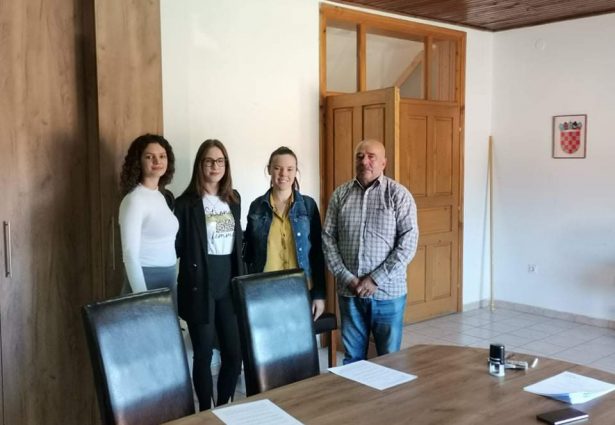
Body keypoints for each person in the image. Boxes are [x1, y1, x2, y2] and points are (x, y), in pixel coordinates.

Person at [322, 139, 418, 364]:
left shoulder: (398, 195)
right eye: (360, 156)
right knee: (352, 360)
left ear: (384, 163)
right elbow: (328, 239)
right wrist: (348, 278)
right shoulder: (340, 195)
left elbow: (408, 243)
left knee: (389, 360)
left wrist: (375, 279)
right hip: (350, 293)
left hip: (388, 294)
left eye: (371, 156)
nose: (364, 161)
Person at [174, 139, 244, 411]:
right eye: (209, 161)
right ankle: (205, 411)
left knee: (234, 353)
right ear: (199, 165)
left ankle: (224, 406)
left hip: (229, 282)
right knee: (202, 354)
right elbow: (177, 247)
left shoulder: (233, 199)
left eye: (220, 161)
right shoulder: (185, 204)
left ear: (226, 165)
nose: (215, 166)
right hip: (199, 284)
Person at [244, 146, 326, 319]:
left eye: (290, 169)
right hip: (265, 290)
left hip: (301, 289)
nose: (283, 174)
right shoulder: (256, 207)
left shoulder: (308, 206)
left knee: (300, 336)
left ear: (296, 172)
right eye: (277, 168)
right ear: (269, 170)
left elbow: (317, 254)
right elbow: (249, 254)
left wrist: (319, 294)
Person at [118, 133, 178, 299]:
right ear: (138, 162)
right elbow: (130, 255)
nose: (157, 161)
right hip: (145, 280)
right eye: (149, 157)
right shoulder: (134, 200)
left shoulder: (160, 196)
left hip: (168, 278)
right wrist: (143, 298)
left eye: (162, 156)